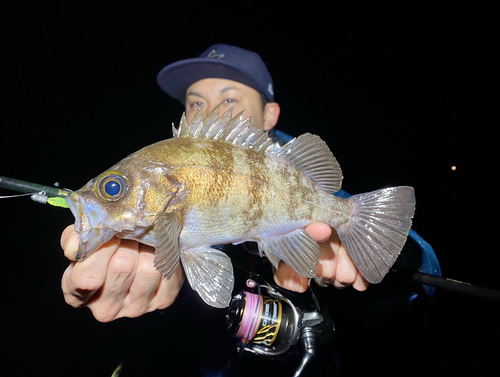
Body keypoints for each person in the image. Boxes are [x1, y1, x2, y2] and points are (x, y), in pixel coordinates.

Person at [60, 43, 424, 323]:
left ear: (270, 114)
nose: (212, 112)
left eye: (229, 98)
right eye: (196, 103)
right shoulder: (164, 161)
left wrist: (385, 258)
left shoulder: (300, 181)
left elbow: (423, 267)